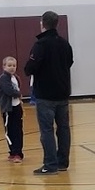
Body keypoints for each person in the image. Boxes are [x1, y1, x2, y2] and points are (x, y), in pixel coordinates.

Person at [24, 11, 74, 175]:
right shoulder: (65, 44)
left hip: (46, 95)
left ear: (42, 23)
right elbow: (69, 63)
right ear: (57, 23)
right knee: (63, 129)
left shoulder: (40, 45)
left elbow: (29, 68)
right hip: (63, 93)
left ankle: (50, 164)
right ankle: (62, 162)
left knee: (47, 130)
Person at [0, 56, 24, 163]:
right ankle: (13, 152)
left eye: (14, 65)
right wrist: (18, 94)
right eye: (9, 65)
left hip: (17, 107)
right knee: (10, 131)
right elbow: (9, 90)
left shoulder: (15, 77)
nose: (12, 68)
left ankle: (18, 152)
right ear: (4, 66)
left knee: (17, 130)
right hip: (8, 109)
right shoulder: (3, 78)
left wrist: (19, 98)